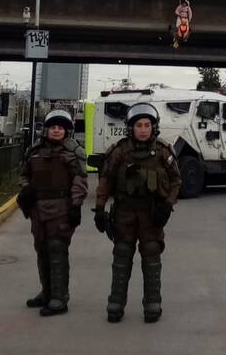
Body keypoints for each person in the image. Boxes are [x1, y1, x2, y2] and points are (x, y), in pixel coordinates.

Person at [94, 103, 182, 323]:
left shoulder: (163, 151)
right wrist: (99, 208)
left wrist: (167, 206)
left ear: (154, 127)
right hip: (125, 213)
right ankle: (116, 303)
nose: (142, 130)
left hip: (151, 215)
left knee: (152, 256)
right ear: (130, 128)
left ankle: (153, 304)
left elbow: (176, 181)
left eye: (146, 125)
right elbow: (105, 180)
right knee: (121, 257)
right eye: (138, 125)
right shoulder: (119, 151)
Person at [17, 110, 88, 317]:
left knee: (57, 250)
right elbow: (23, 175)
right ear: (46, 130)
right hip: (38, 209)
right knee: (42, 250)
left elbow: (80, 181)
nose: (57, 131)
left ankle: (59, 298)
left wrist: (76, 205)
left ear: (67, 131)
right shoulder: (34, 151)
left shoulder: (73, 152)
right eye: (53, 127)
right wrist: (26, 189)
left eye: (61, 128)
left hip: (61, 208)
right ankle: (46, 292)